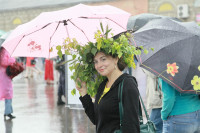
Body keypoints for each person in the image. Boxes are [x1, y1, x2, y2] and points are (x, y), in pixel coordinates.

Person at [76, 51, 140, 133]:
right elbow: (97, 119)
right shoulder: (103, 85)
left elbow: (132, 126)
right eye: (96, 62)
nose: (99, 65)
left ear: (116, 59)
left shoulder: (127, 84)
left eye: (103, 59)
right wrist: (83, 92)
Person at [142, 69, 163, 133]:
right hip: (159, 99)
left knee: (153, 127)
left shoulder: (158, 61)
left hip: (159, 100)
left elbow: (153, 73)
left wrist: (143, 67)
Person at [0, 47, 16, 119]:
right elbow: (4, 61)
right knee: (8, 93)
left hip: (5, 74)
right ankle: (8, 112)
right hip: (5, 75)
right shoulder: (4, 52)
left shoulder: (3, 51)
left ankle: (8, 111)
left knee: (8, 93)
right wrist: (13, 59)